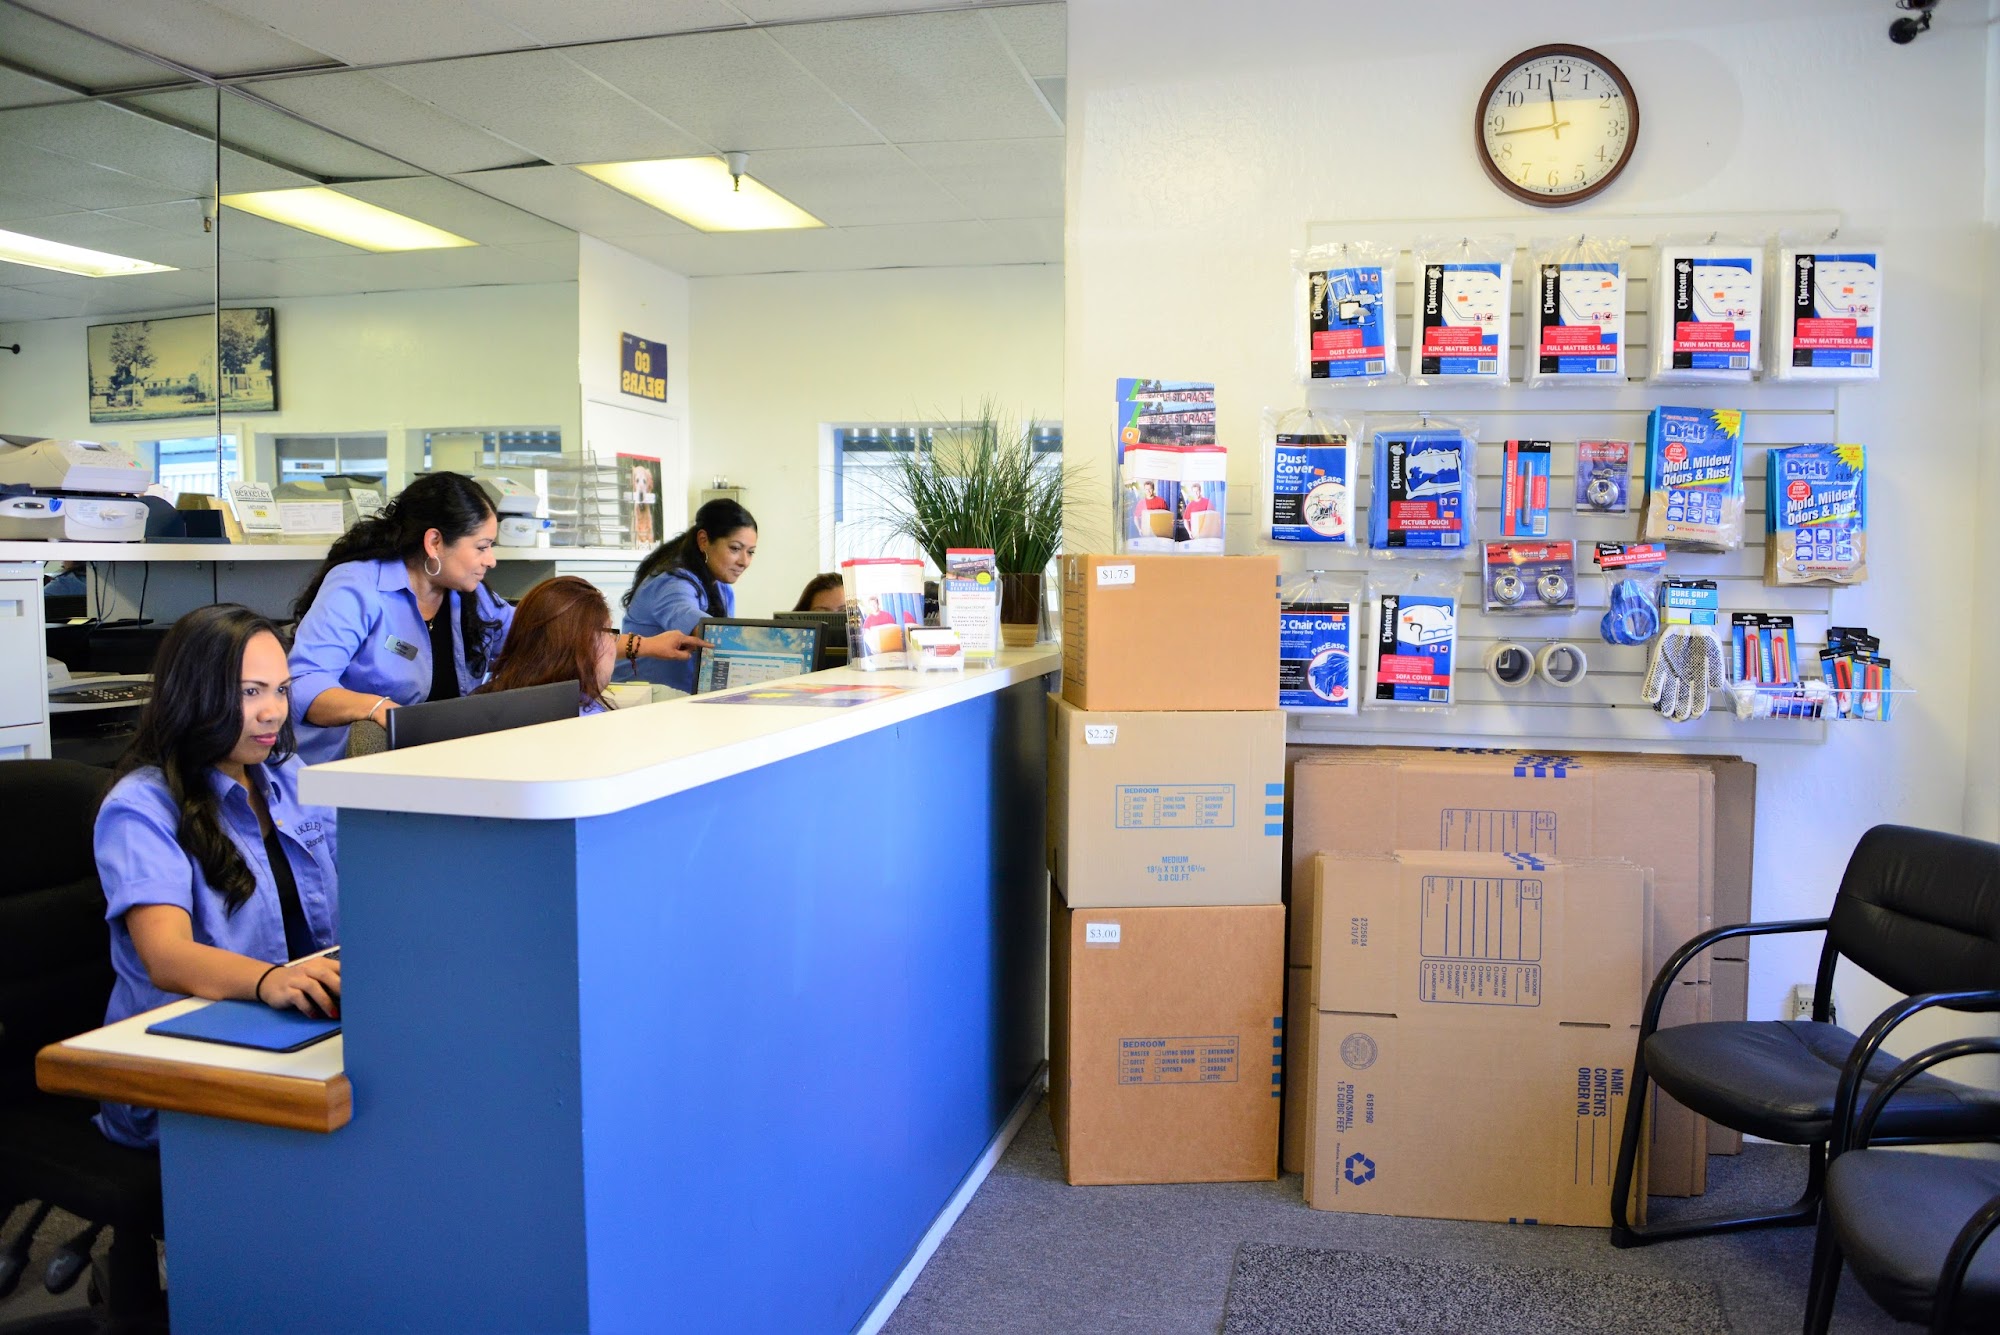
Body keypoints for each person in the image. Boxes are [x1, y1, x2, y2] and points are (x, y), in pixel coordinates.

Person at [93, 604, 341, 1149]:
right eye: (251, 692)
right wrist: (269, 980)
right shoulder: (141, 807)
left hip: (291, 1031)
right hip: (179, 1068)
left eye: (282, 690)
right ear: (195, 695)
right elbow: (166, 955)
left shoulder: (286, 775)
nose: (273, 712)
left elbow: (361, 886)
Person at [287, 472, 513, 765]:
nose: (491, 560)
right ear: (434, 542)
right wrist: (377, 708)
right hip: (357, 764)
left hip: (441, 758)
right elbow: (303, 684)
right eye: (482, 547)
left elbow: (529, 635)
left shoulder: (470, 594)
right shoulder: (357, 585)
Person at [481, 576, 705, 715]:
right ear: (584, 646)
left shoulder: (483, 705)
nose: (613, 644)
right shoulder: (587, 722)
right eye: (610, 632)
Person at [618, 498, 757, 695]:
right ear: (703, 540)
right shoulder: (671, 583)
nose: (744, 561)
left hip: (681, 698)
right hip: (641, 700)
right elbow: (705, 629)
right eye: (735, 548)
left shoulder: (722, 588)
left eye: (750, 552)